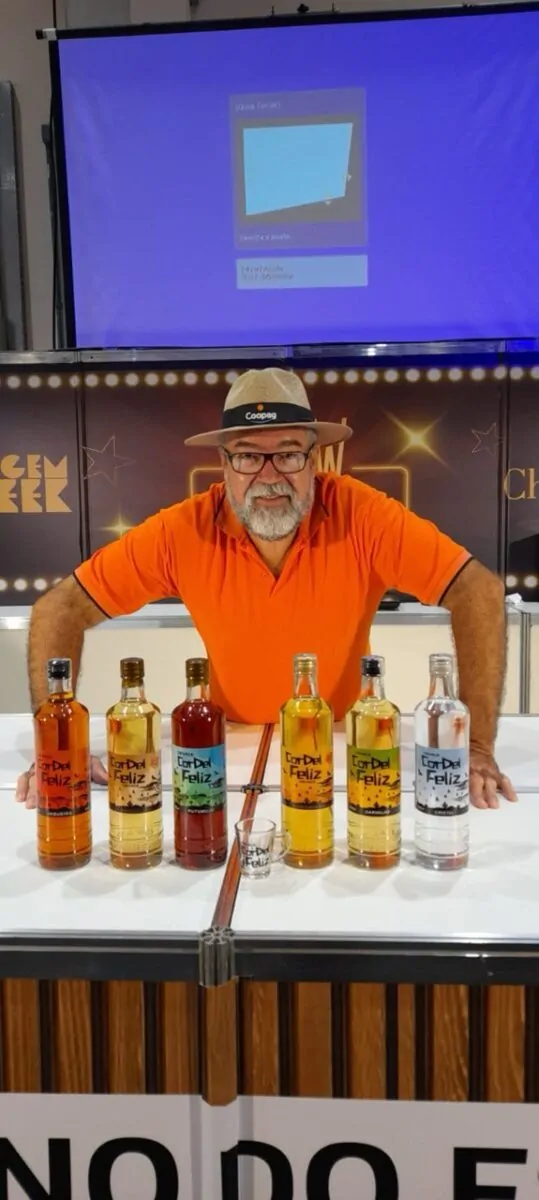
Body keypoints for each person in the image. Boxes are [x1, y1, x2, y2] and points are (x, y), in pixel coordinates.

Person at [16, 367, 516, 812]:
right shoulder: (182, 530)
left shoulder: (362, 515)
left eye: (288, 454)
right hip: (225, 756)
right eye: (249, 456)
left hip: (341, 750)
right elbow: (61, 607)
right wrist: (56, 752)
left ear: (315, 458)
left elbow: (477, 590)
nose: (270, 475)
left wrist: (477, 748)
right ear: (224, 462)